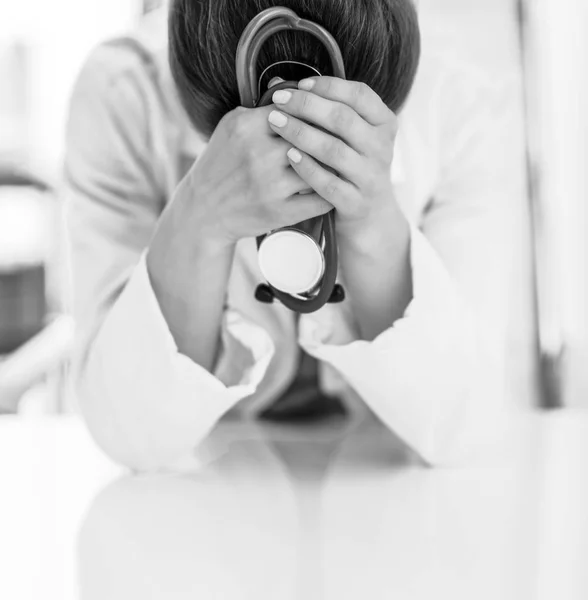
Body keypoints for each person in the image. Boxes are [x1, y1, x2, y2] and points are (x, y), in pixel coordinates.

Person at [64, 0, 526, 471]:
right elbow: (128, 433)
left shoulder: (463, 102)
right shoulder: (122, 93)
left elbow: (460, 425)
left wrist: (374, 226)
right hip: (204, 495)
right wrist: (199, 219)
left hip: (388, 491)